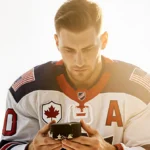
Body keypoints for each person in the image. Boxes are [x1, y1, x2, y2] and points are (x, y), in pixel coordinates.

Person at [0, 0, 150, 149]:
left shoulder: (139, 89)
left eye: (88, 49)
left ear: (104, 40)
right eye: (69, 50)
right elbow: (7, 146)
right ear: (57, 42)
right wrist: (31, 148)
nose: (79, 61)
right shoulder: (25, 91)